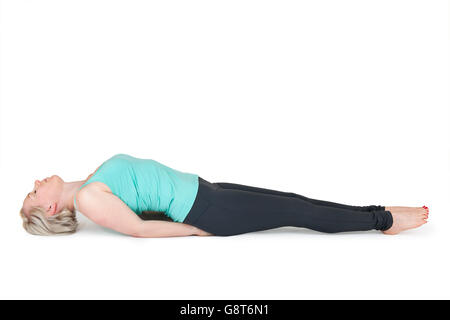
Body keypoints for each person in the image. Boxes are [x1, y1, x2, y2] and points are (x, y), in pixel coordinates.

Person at [19, 153, 429, 237]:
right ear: (51, 207)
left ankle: (378, 216)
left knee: (294, 200)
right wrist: (197, 231)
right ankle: (385, 219)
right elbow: (138, 230)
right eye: (34, 194)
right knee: (298, 212)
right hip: (206, 210)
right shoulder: (90, 197)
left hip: (207, 191)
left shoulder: (91, 179)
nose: (37, 182)